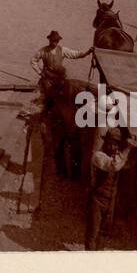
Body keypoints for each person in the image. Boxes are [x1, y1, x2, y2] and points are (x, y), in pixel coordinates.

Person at [30, 31, 93, 181]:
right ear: (49, 40)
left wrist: (86, 53)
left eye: (57, 41)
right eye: (53, 41)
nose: (55, 43)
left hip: (59, 77)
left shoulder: (62, 50)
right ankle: (47, 111)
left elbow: (75, 54)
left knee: (68, 88)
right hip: (48, 77)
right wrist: (40, 72)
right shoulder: (43, 51)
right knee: (48, 93)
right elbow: (33, 60)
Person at [85, 127, 131, 250]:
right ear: (105, 142)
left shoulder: (116, 157)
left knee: (102, 234)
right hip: (97, 201)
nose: (112, 147)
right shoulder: (98, 156)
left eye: (115, 145)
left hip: (110, 202)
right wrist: (127, 150)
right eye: (110, 143)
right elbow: (114, 166)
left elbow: (126, 164)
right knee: (92, 235)